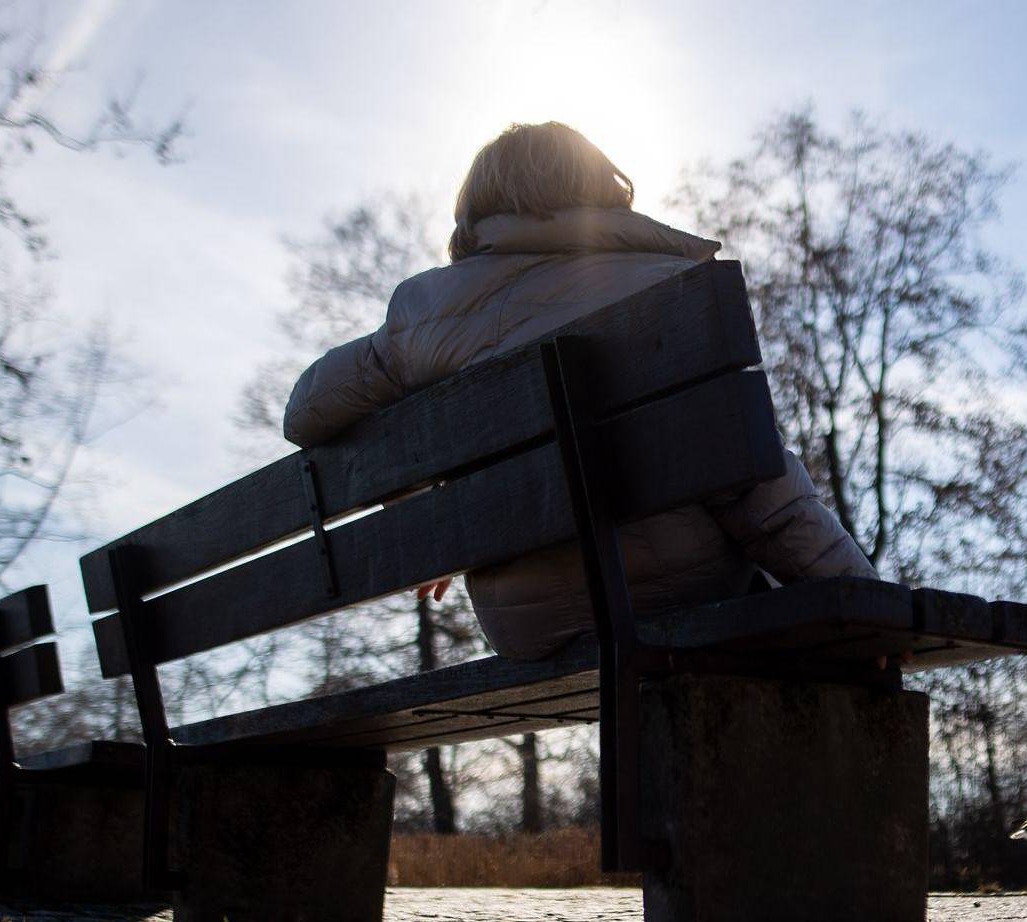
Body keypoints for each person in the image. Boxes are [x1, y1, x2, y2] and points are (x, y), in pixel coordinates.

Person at [283, 121, 876, 660]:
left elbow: (305, 413)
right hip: (680, 592)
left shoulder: (423, 312)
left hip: (523, 622)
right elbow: (758, 488)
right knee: (781, 599)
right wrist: (869, 609)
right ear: (599, 185)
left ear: (477, 207)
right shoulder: (671, 287)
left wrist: (432, 506)